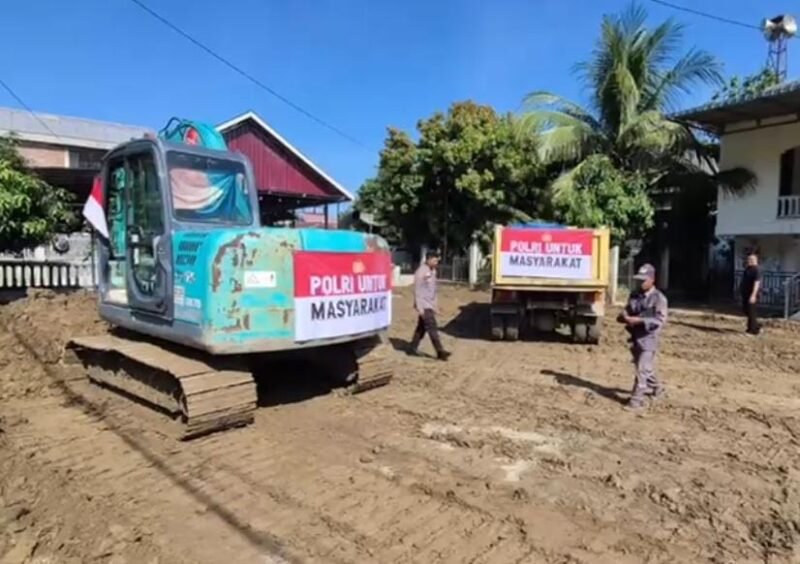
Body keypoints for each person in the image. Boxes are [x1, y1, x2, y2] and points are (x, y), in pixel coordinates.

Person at [618, 263, 668, 409]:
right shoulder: (635, 295)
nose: (640, 283)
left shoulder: (659, 298)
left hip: (649, 339)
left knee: (641, 370)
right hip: (635, 337)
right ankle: (658, 389)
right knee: (645, 368)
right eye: (638, 280)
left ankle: (636, 400)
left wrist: (639, 320)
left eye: (643, 280)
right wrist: (624, 316)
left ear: (652, 280)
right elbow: (627, 310)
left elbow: (659, 320)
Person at [408, 251, 451, 361]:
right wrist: (420, 308)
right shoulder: (420, 272)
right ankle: (440, 351)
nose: (437, 263)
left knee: (422, 327)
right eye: (435, 260)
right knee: (432, 327)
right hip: (423, 305)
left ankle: (412, 347)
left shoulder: (433, 271)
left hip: (430, 304)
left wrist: (435, 306)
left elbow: (433, 291)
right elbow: (417, 291)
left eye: (437, 261)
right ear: (429, 259)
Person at [740, 253, 761, 336]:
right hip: (745, 293)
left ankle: (753, 331)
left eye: (751, 259)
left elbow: (757, 283)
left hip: (752, 294)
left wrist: (753, 295)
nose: (749, 261)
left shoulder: (756, 270)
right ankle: (755, 326)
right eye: (748, 259)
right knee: (746, 310)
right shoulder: (747, 269)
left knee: (751, 312)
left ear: (755, 260)